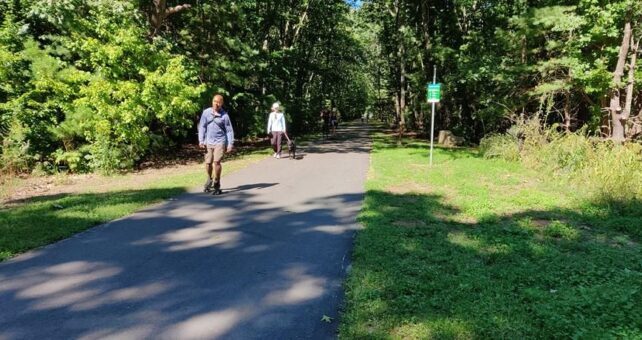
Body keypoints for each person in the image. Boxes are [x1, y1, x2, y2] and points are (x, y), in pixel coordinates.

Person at [198, 94, 234, 194]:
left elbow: (229, 131)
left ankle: (217, 182)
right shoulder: (206, 113)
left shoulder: (225, 116)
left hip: (220, 141)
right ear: (212, 101)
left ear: (222, 103)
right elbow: (202, 127)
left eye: (219, 102)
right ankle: (209, 179)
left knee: (216, 162)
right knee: (208, 163)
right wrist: (201, 140)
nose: (216, 104)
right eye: (214, 101)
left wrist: (230, 144)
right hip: (208, 141)